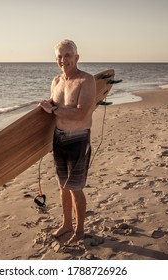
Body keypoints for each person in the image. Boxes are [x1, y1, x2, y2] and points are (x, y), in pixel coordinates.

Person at [40, 40, 96, 244]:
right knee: (62, 186)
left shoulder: (86, 80)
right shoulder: (56, 81)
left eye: (67, 55)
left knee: (75, 187)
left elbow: (81, 114)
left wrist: (53, 109)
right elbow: (50, 113)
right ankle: (66, 224)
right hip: (59, 139)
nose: (63, 60)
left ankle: (80, 230)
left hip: (78, 139)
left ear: (76, 57)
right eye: (59, 57)